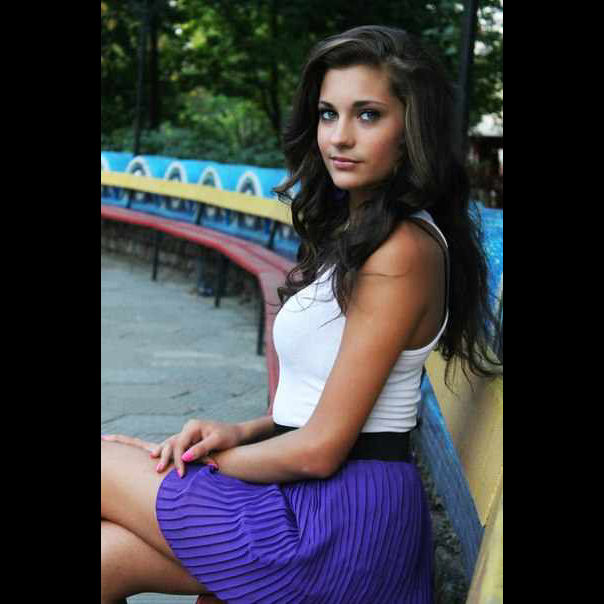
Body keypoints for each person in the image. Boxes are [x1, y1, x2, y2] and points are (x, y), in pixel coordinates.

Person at [101, 25, 502, 604]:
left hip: (339, 528)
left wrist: (211, 463)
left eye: (368, 115)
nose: (339, 137)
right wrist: (238, 431)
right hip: (310, 501)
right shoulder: (361, 234)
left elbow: (322, 448)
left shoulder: (402, 251)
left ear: (413, 129)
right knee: (109, 556)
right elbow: (323, 403)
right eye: (327, 114)